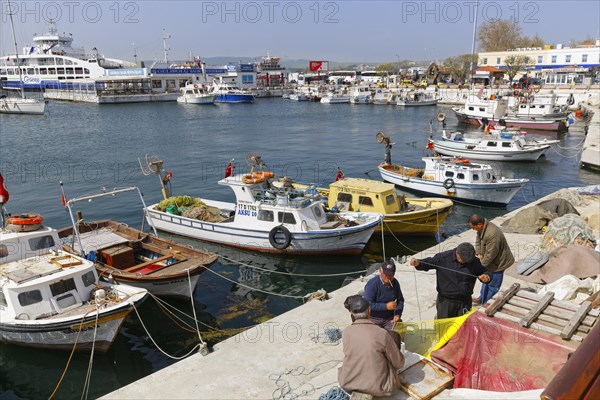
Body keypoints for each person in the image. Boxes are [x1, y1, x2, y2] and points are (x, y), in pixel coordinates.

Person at [338, 295, 405, 397]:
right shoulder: (381, 333)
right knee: (394, 338)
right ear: (369, 311)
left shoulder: (346, 332)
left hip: (348, 383)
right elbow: (399, 363)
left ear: (351, 314)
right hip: (380, 388)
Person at [409, 243, 491, 319]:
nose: (466, 262)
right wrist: (418, 263)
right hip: (446, 303)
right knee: (444, 327)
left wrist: (487, 277)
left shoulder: (474, 261)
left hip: (465, 301)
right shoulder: (443, 258)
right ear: (457, 254)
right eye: (464, 260)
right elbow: (428, 263)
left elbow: (486, 271)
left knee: (463, 327)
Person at [468, 214, 515, 305]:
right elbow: (478, 241)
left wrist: (481, 266)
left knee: (493, 284)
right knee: (485, 280)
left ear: (479, 224)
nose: (473, 229)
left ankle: (487, 303)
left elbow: (491, 254)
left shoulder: (492, 234)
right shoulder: (481, 229)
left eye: (473, 227)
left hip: (499, 262)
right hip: (488, 258)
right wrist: (479, 254)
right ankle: (481, 298)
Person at [364, 260, 404, 331]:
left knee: (397, 334)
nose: (388, 277)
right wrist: (385, 306)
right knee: (376, 338)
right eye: (386, 274)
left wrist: (397, 314)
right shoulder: (372, 284)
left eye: (391, 275)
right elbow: (367, 304)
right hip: (374, 319)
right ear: (381, 271)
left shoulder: (395, 283)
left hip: (390, 318)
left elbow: (400, 300)